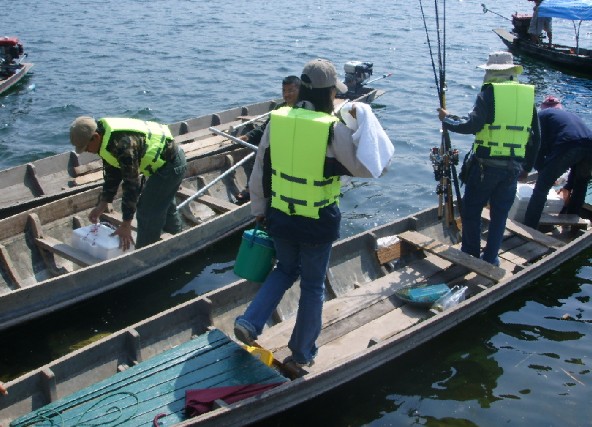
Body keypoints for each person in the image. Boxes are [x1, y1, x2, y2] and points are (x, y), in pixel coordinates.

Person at [233, 58, 386, 374]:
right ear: (330, 92)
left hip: (280, 215)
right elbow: (367, 167)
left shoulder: (279, 119)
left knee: (285, 268)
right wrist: (358, 127)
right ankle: (302, 354)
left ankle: (250, 320)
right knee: (314, 285)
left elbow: (260, 169)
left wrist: (259, 210)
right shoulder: (332, 129)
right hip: (317, 221)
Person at [438, 51, 540, 266]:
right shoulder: (526, 96)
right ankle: (492, 258)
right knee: (500, 214)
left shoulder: (489, 93)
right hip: (513, 167)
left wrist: (447, 121)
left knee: (472, 209)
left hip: (486, 167)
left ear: (491, 71)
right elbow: (536, 138)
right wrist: (527, 168)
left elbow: (472, 125)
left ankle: (471, 254)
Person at [70, 116, 187, 249]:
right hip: (160, 166)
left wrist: (126, 224)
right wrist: (102, 204)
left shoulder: (123, 145)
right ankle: (180, 239)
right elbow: (112, 174)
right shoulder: (105, 140)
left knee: (146, 211)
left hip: (171, 167)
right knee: (163, 205)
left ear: (96, 137)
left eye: (86, 148)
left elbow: (131, 185)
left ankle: (145, 254)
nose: (87, 151)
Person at [523, 96, 592, 229]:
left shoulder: (540, 116)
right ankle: (572, 223)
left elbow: (536, 148)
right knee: (581, 183)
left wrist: (544, 173)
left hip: (568, 145)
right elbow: (577, 157)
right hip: (589, 145)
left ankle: (529, 226)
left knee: (542, 187)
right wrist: (568, 185)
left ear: (542, 107)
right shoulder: (568, 116)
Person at [235, 75, 301, 204]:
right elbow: (265, 128)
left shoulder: (305, 111)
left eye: (290, 91)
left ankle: (259, 190)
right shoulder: (280, 108)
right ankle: (253, 188)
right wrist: (248, 136)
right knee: (258, 155)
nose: (286, 95)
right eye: (284, 91)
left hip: (292, 153)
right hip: (276, 147)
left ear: (300, 90)